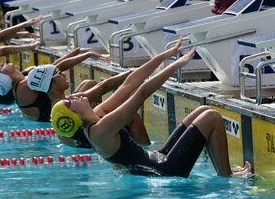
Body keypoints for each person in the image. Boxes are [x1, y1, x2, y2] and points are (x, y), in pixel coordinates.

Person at [50, 39, 252, 177]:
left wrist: (166, 55)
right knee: (212, 117)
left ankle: (225, 171)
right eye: (70, 101)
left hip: (157, 158)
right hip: (163, 170)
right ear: (74, 115)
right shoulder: (100, 131)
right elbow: (141, 93)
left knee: (200, 112)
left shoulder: (96, 118)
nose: (75, 96)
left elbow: (130, 83)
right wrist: (175, 65)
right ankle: (228, 177)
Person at [0, 47, 150, 147]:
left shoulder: (56, 108)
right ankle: (146, 149)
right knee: (131, 116)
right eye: (58, 75)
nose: (64, 75)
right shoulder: (68, 102)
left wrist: (79, 52)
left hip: (80, 143)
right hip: (92, 144)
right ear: (51, 84)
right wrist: (138, 71)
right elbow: (104, 86)